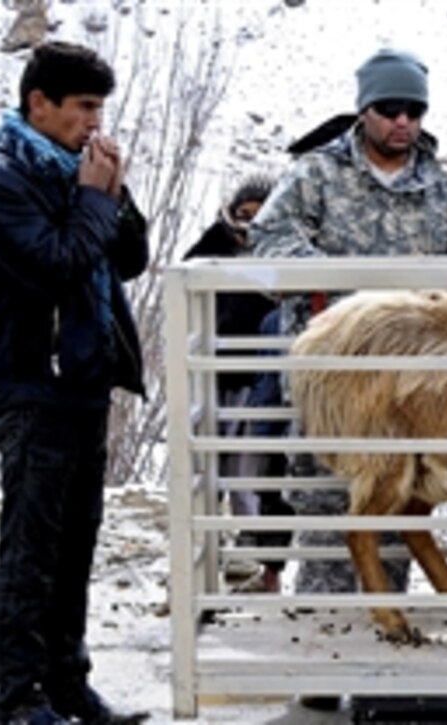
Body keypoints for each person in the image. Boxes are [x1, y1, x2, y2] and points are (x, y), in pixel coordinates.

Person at [249, 47, 447, 711]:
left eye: (415, 111)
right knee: (329, 520)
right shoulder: (316, 177)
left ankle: (386, 669)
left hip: (414, 397)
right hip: (336, 387)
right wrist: (347, 288)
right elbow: (268, 241)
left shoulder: (441, 191)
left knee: (399, 520)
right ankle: (323, 668)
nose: (404, 122)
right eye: (391, 109)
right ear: (365, 110)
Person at [0, 41, 149, 724]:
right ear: (39, 105)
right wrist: (92, 199)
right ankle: (18, 690)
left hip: (84, 379)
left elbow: (131, 257)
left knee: (76, 540)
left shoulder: (76, 170)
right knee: (31, 546)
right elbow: (54, 263)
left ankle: (67, 680)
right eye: (83, 107)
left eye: (99, 108)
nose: (94, 122)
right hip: (32, 381)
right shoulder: (4, 178)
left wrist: (115, 192)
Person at [182, 175, 294, 594]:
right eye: (243, 214)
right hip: (215, 381)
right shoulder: (212, 255)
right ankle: (206, 573)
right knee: (208, 474)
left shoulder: (285, 255)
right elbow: (188, 278)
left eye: (260, 215)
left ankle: (266, 572)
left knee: (257, 479)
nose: (250, 225)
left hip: (260, 383)